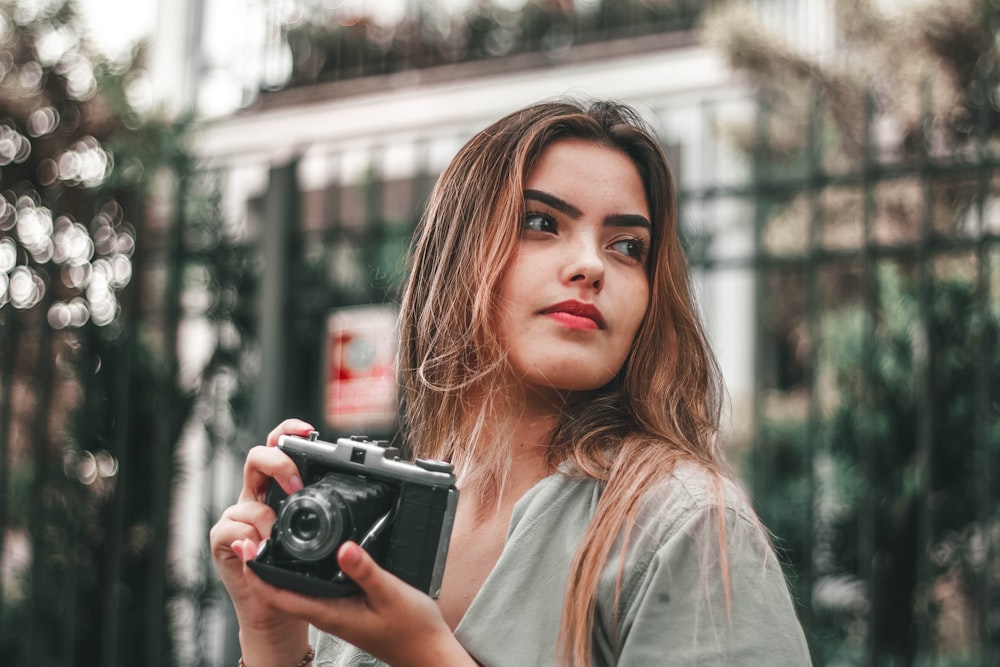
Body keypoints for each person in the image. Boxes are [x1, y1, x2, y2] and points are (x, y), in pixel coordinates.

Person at [210, 99, 812, 666]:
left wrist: (428, 654)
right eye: (540, 221)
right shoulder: (370, 512)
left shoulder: (681, 523)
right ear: (458, 256)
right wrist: (272, 639)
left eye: (628, 245)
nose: (592, 265)